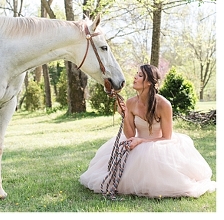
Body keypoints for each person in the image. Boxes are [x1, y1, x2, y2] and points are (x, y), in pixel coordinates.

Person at [80, 64, 216, 198]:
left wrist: (141, 141)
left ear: (150, 82)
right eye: (136, 74)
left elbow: (167, 137)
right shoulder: (131, 102)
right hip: (136, 141)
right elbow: (130, 135)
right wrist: (124, 114)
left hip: (160, 144)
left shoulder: (164, 104)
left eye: (140, 75)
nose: (135, 77)